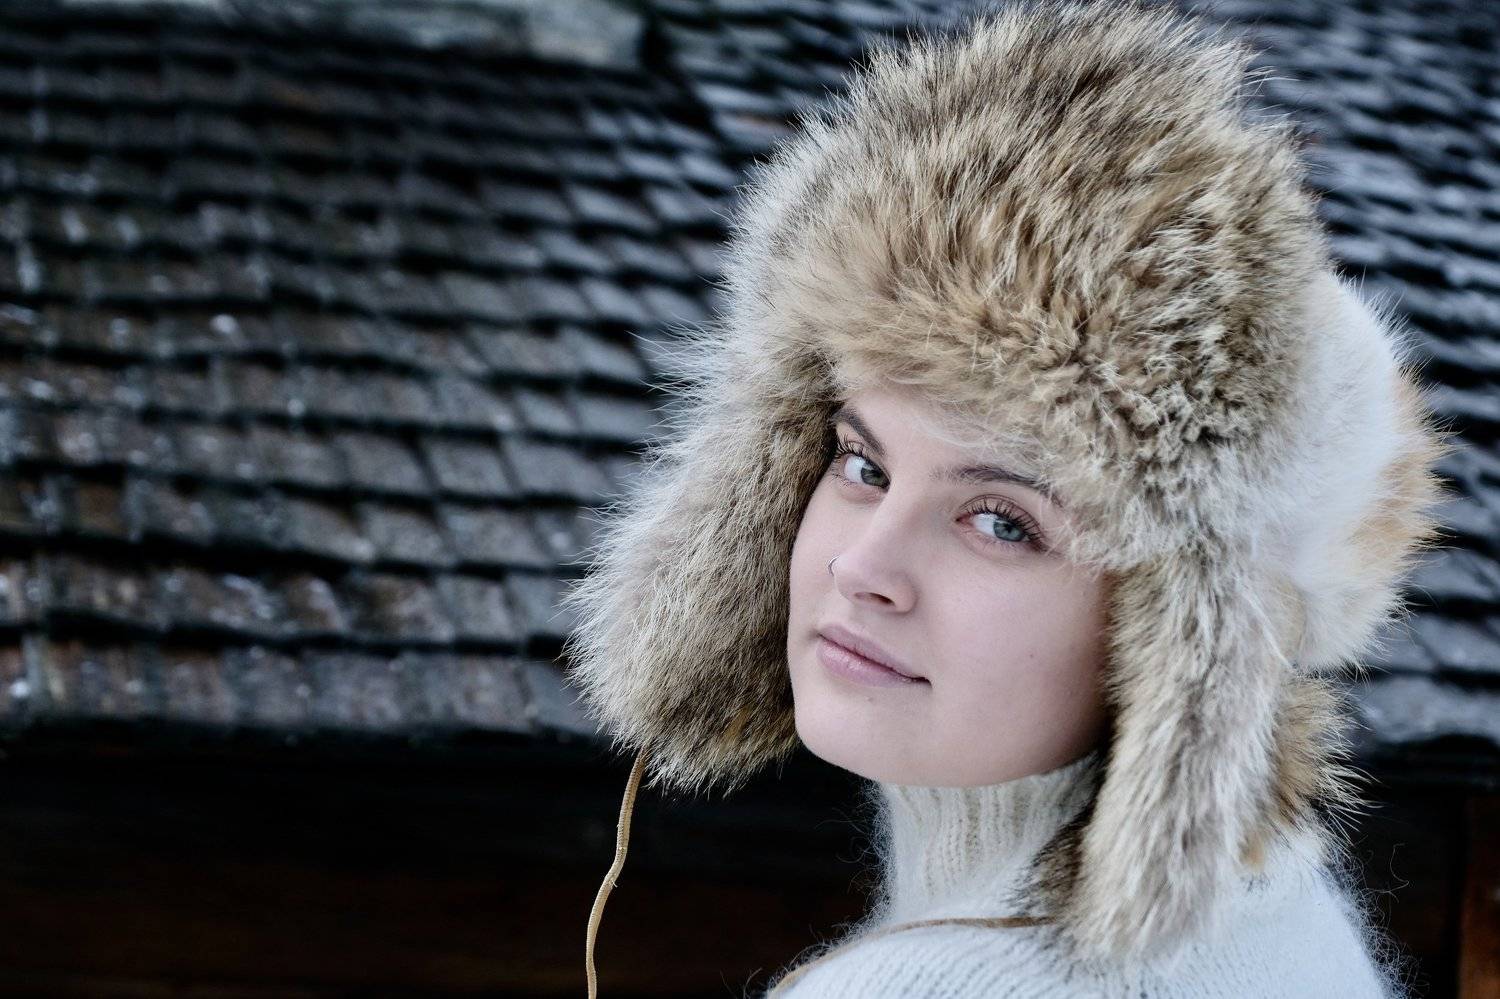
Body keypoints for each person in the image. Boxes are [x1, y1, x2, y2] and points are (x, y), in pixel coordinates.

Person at [560, 1, 1455, 996]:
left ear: (1184, 648)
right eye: (863, 466)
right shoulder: (1277, 914)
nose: (863, 569)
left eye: (1002, 522)